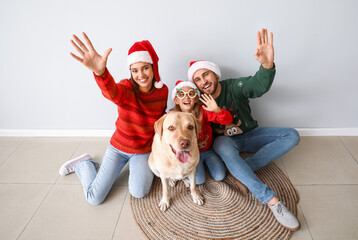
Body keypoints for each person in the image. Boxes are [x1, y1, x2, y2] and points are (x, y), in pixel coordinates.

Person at [187, 29, 301, 231]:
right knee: (221, 144)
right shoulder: (199, 102)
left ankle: (243, 170)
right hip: (226, 142)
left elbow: (258, 86)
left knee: (292, 135)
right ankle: (272, 201)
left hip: (251, 134)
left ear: (215, 74)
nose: (204, 81)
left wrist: (266, 65)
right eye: (198, 79)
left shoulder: (234, 86)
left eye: (206, 75)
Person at [59, 32, 168, 205]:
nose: (141, 74)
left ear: (153, 67)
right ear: (130, 72)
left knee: (139, 192)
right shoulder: (126, 88)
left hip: (142, 151)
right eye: (135, 70)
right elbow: (112, 92)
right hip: (119, 148)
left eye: (145, 68)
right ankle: (84, 164)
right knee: (94, 198)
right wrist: (101, 72)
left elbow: (160, 119)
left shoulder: (163, 91)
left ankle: (135, 168)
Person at [171, 80, 233, 184]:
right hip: (189, 153)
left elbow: (228, 120)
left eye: (190, 94)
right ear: (176, 100)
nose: (186, 97)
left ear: (196, 98)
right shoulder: (172, 117)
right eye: (182, 94)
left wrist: (217, 110)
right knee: (199, 180)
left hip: (207, 150)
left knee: (220, 176)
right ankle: (181, 174)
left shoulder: (203, 110)